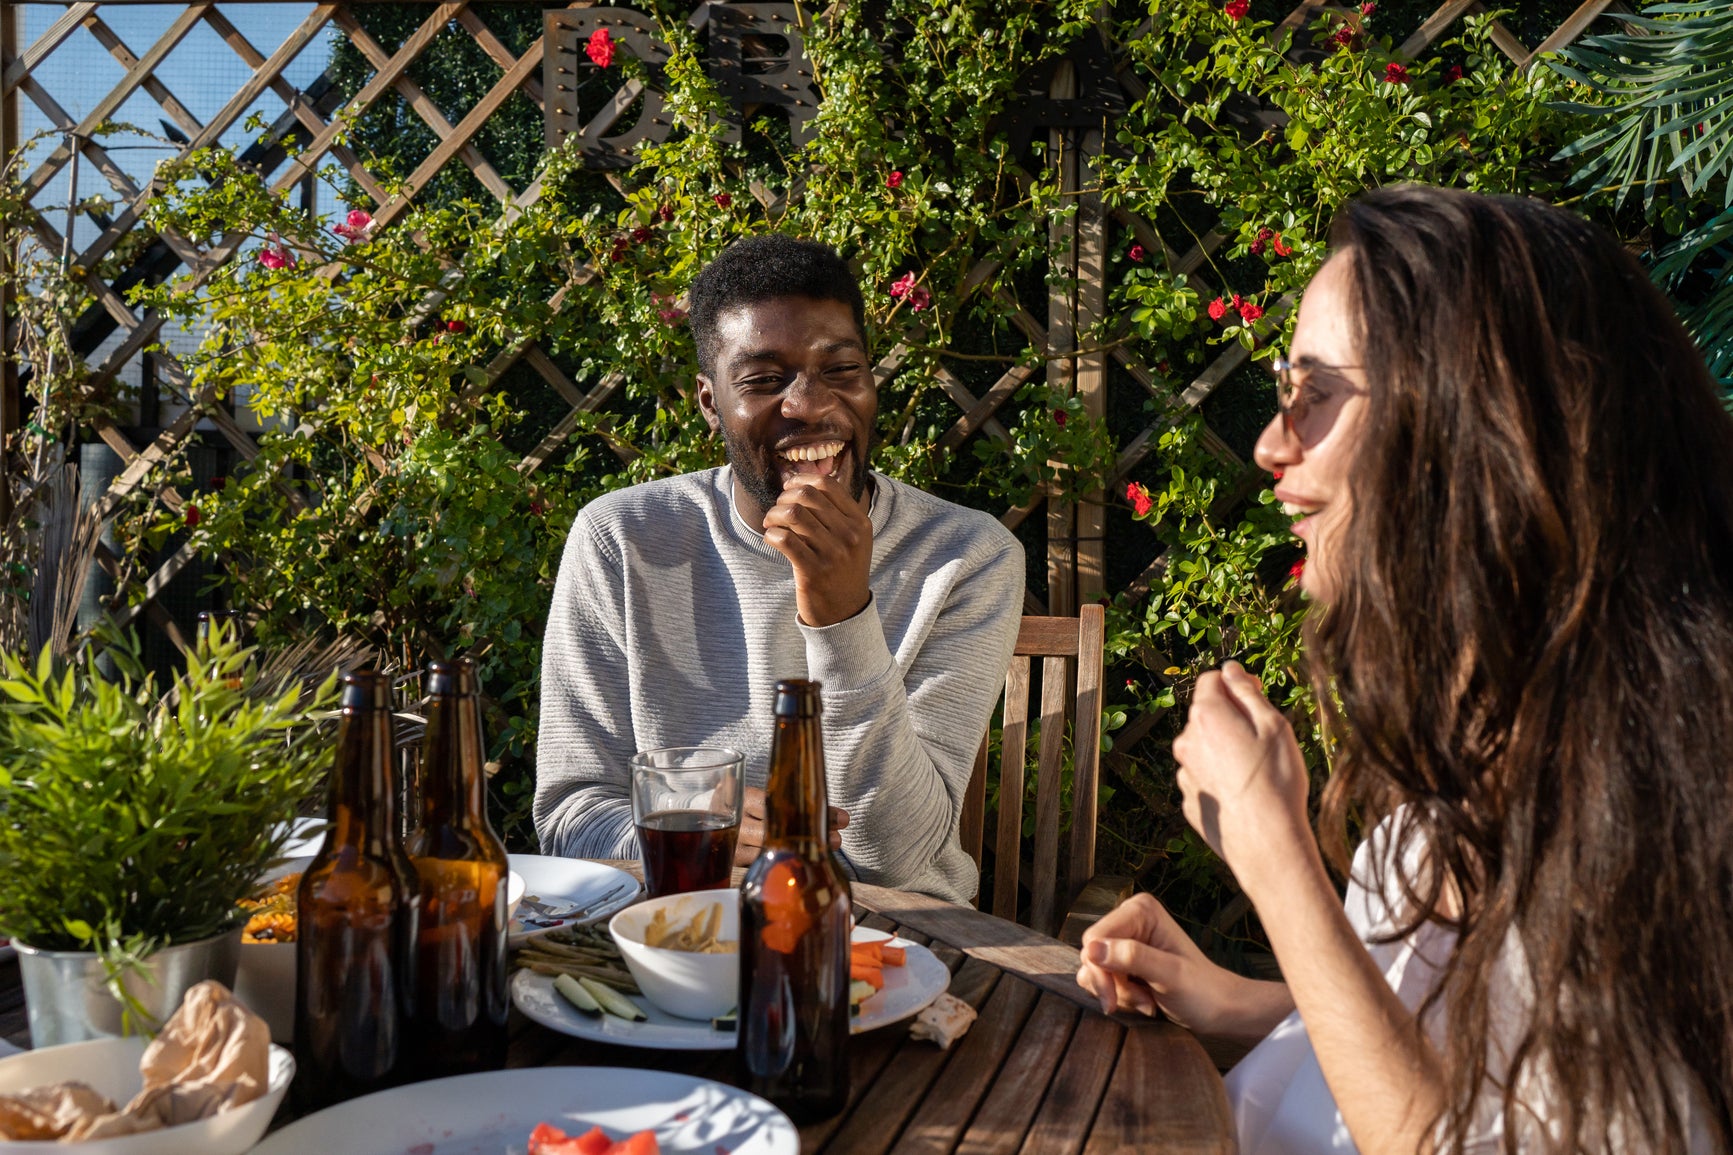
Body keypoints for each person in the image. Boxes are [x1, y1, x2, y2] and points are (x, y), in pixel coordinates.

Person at [1077, 186, 1733, 1152]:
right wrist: (1237, 1001)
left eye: (1317, 393)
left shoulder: (1637, 815)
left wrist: (1280, 866)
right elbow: (1457, 1047)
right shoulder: (1473, 739)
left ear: (1483, 430)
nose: (1269, 443)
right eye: (1279, 391)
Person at [535, 234, 1024, 904]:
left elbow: (892, 857)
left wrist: (842, 616)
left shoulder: (966, 556)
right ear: (710, 402)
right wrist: (686, 831)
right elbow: (570, 814)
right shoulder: (622, 539)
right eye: (764, 381)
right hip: (684, 919)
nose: (809, 405)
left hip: (892, 942)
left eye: (841, 371)